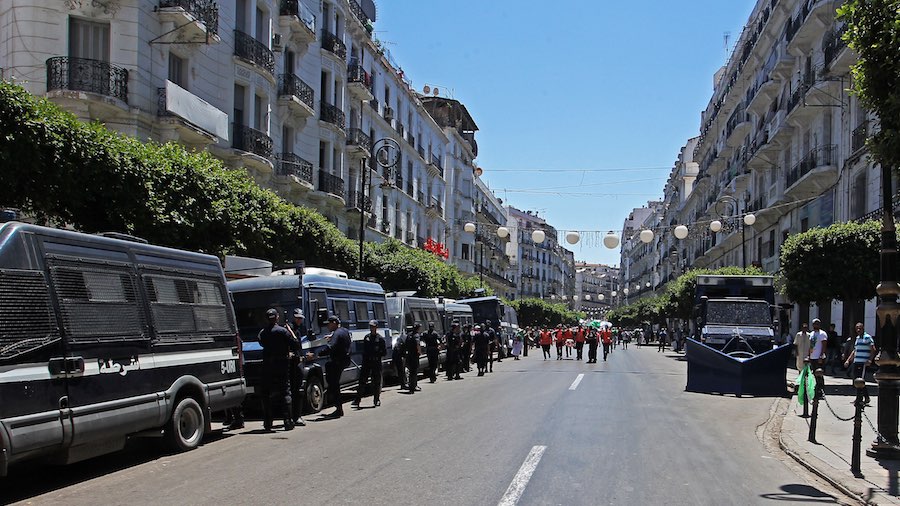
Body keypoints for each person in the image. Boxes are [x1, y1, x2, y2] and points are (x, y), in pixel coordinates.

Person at [258, 308, 300, 431]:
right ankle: (288, 421)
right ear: (277, 317)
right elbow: (296, 344)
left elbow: (262, 343)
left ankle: (267, 423)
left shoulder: (262, 333)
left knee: (266, 394)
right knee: (285, 392)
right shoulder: (283, 331)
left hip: (267, 365)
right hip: (282, 364)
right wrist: (290, 331)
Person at [319, 316, 351, 419]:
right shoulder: (344, 331)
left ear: (334, 323)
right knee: (334, 383)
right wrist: (332, 337)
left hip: (338, 362)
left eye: (329, 324)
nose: (327, 326)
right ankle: (337, 407)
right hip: (344, 360)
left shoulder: (337, 333)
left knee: (334, 384)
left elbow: (331, 347)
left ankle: (338, 409)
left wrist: (319, 354)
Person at [285, 308, 313, 426]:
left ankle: (296, 416)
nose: (299, 320)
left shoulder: (295, 329)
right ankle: (294, 417)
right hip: (293, 365)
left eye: (300, 318)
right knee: (295, 391)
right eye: (298, 318)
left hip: (298, 362)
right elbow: (293, 346)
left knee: (298, 391)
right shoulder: (289, 330)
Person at [353, 320, 386, 407]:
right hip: (367, 362)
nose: (371, 328)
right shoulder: (366, 337)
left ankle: (376, 400)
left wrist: (377, 355)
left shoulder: (380, 339)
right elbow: (364, 350)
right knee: (362, 381)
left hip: (376, 362)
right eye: (370, 326)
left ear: (376, 327)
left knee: (376, 382)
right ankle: (357, 400)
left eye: (373, 326)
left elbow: (384, 352)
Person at [844, 322, 876, 405]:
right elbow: (855, 350)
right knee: (856, 380)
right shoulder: (857, 338)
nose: (858, 330)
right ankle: (865, 397)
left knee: (860, 381)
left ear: (863, 328)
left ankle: (859, 399)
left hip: (863, 363)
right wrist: (848, 360)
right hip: (856, 362)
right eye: (857, 328)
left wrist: (870, 360)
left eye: (860, 328)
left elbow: (873, 349)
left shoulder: (868, 337)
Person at [405, 323, 422, 393]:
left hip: (409, 355)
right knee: (414, 371)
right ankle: (413, 386)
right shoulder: (416, 335)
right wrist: (419, 352)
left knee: (411, 371)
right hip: (414, 355)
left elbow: (405, 344)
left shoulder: (409, 335)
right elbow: (417, 344)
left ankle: (411, 385)